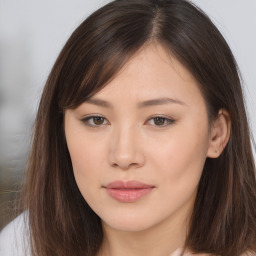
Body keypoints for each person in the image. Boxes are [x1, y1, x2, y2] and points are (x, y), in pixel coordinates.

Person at [0, 0, 255, 255]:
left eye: (159, 120)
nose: (123, 156)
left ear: (216, 134)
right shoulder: (18, 244)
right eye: (96, 120)